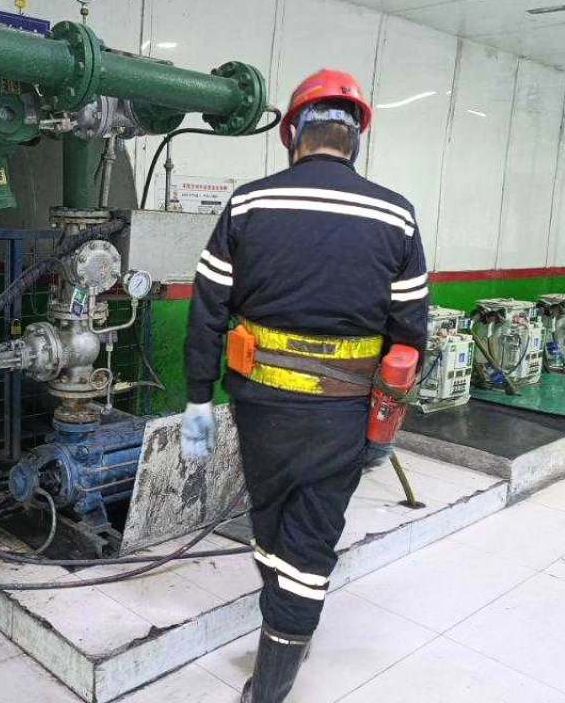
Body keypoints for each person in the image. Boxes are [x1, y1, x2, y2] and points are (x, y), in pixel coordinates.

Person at [180, 69, 429, 702]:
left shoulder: (249, 203)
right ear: (356, 139)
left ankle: (278, 650)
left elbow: (207, 312)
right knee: (312, 538)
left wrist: (197, 398)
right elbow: (408, 342)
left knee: (269, 522)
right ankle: (276, 672)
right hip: (343, 415)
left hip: (261, 408)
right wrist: (384, 429)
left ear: (292, 133)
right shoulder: (396, 214)